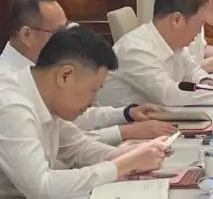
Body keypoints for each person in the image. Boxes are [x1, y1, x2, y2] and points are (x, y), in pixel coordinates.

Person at [0, 26, 169, 198]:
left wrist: (127, 154)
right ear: (65, 75)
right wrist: (122, 165)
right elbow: (42, 187)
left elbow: (78, 147)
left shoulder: (44, 96)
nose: (93, 102)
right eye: (93, 90)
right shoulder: (12, 107)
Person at [0, 0, 174, 145]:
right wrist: (126, 133)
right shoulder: (8, 87)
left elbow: (76, 123)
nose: (67, 39)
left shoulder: (43, 68)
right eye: (59, 32)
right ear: (27, 35)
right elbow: (67, 145)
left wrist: (127, 113)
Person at [97, 0, 213, 107]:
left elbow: (192, 69)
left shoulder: (174, 43)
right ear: (177, 20)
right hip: (126, 129)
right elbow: (170, 96)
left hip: (156, 121)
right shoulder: (135, 49)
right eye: (200, 23)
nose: (199, 31)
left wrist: (206, 81)